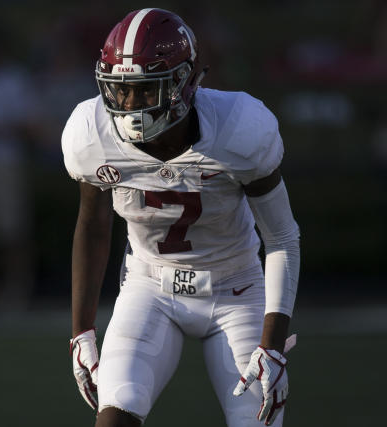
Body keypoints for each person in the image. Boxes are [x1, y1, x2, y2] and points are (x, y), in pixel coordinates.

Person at [62, 8, 300, 427]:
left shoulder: (239, 128)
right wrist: (81, 332)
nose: (130, 105)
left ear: (186, 83)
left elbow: (281, 236)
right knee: (114, 417)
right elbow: (93, 224)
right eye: (120, 89)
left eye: (146, 89)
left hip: (237, 288)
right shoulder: (91, 131)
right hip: (149, 286)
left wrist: (274, 344)